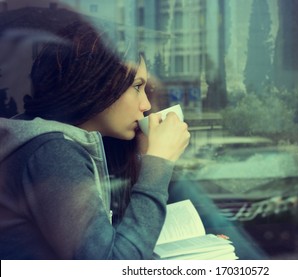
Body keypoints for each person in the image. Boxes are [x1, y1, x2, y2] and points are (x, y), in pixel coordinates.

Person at [0, 18, 190, 259]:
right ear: (97, 83)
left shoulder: (64, 145)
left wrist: (144, 159)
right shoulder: (52, 152)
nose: (146, 105)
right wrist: (159, 163)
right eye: (136, 86)